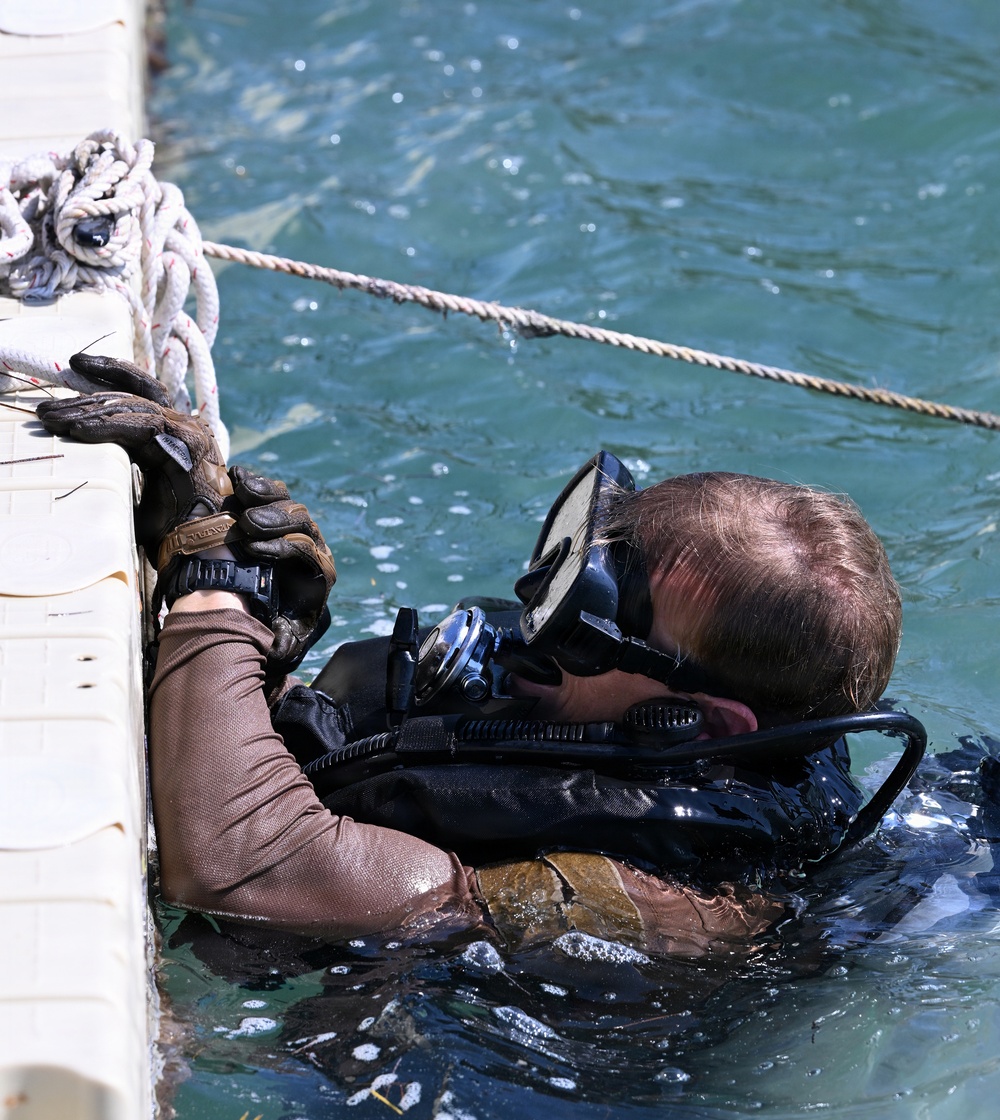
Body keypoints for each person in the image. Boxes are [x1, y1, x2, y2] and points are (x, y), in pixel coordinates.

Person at [36, 356, 906, 956]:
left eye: (589, 618)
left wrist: (213, 592)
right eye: (575, 569)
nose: (538, 622)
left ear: (694, 717)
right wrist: (260, 661)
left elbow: (245, 867)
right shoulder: (606, 718)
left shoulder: (656, 901)